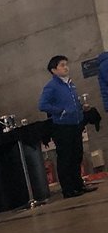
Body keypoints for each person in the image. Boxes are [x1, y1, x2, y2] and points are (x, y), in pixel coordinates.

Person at [39, 55, 95, 198]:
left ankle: (78, 184)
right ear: (54, 70)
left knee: (77, 155)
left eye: (66, 64)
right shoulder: (51, 86)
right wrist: (60, 111)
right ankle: (68, 189)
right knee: (66, 158)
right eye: (62, 65)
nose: (66, 67)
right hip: (62, 126)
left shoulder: (70, 84)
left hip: (75, 124)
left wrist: (81, 108)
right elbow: (43, 105)